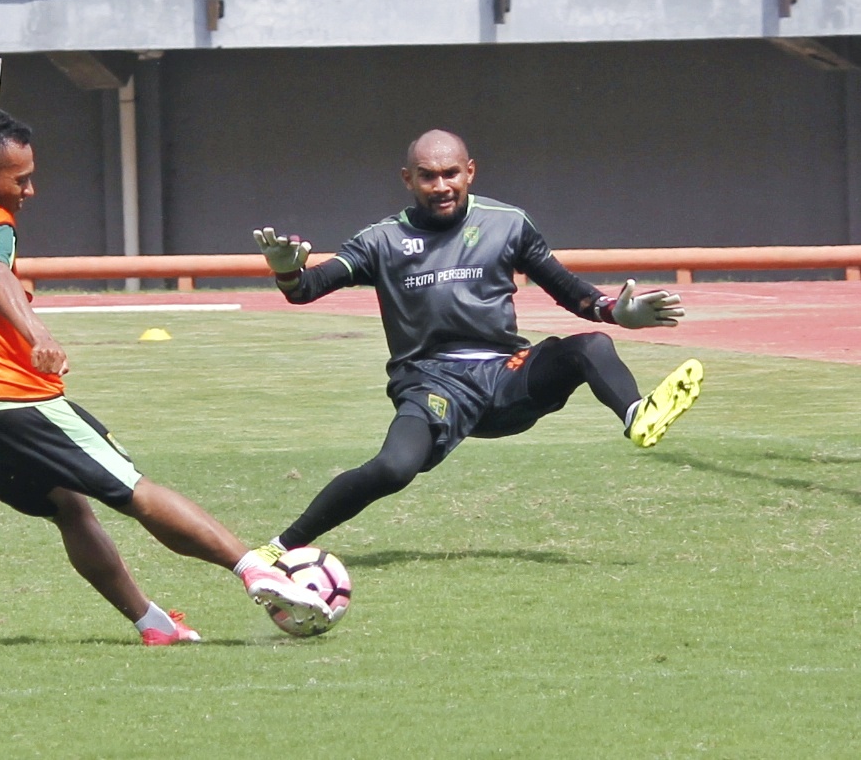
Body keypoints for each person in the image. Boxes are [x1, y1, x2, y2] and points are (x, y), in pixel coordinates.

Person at [0, 106, 330, 644]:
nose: (30, 190)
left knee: (68, 506)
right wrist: (37, 334)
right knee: (134, 489)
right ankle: (256, 570)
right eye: (20, 179)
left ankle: (153, 624)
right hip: (9, 404)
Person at [248, 129, 703, 563]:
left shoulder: (508, 223)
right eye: (427, 175)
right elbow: (306, 288)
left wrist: (615, 311)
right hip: (432, 382)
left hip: (507, 376)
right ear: (408, 179)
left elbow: (567, 289)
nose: (441, 185)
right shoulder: (381, 239)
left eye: (451, 173)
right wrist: (287, 271)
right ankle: (279, 548)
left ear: (470, 171)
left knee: (590, 345)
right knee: (392, 468)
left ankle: (636, 415)